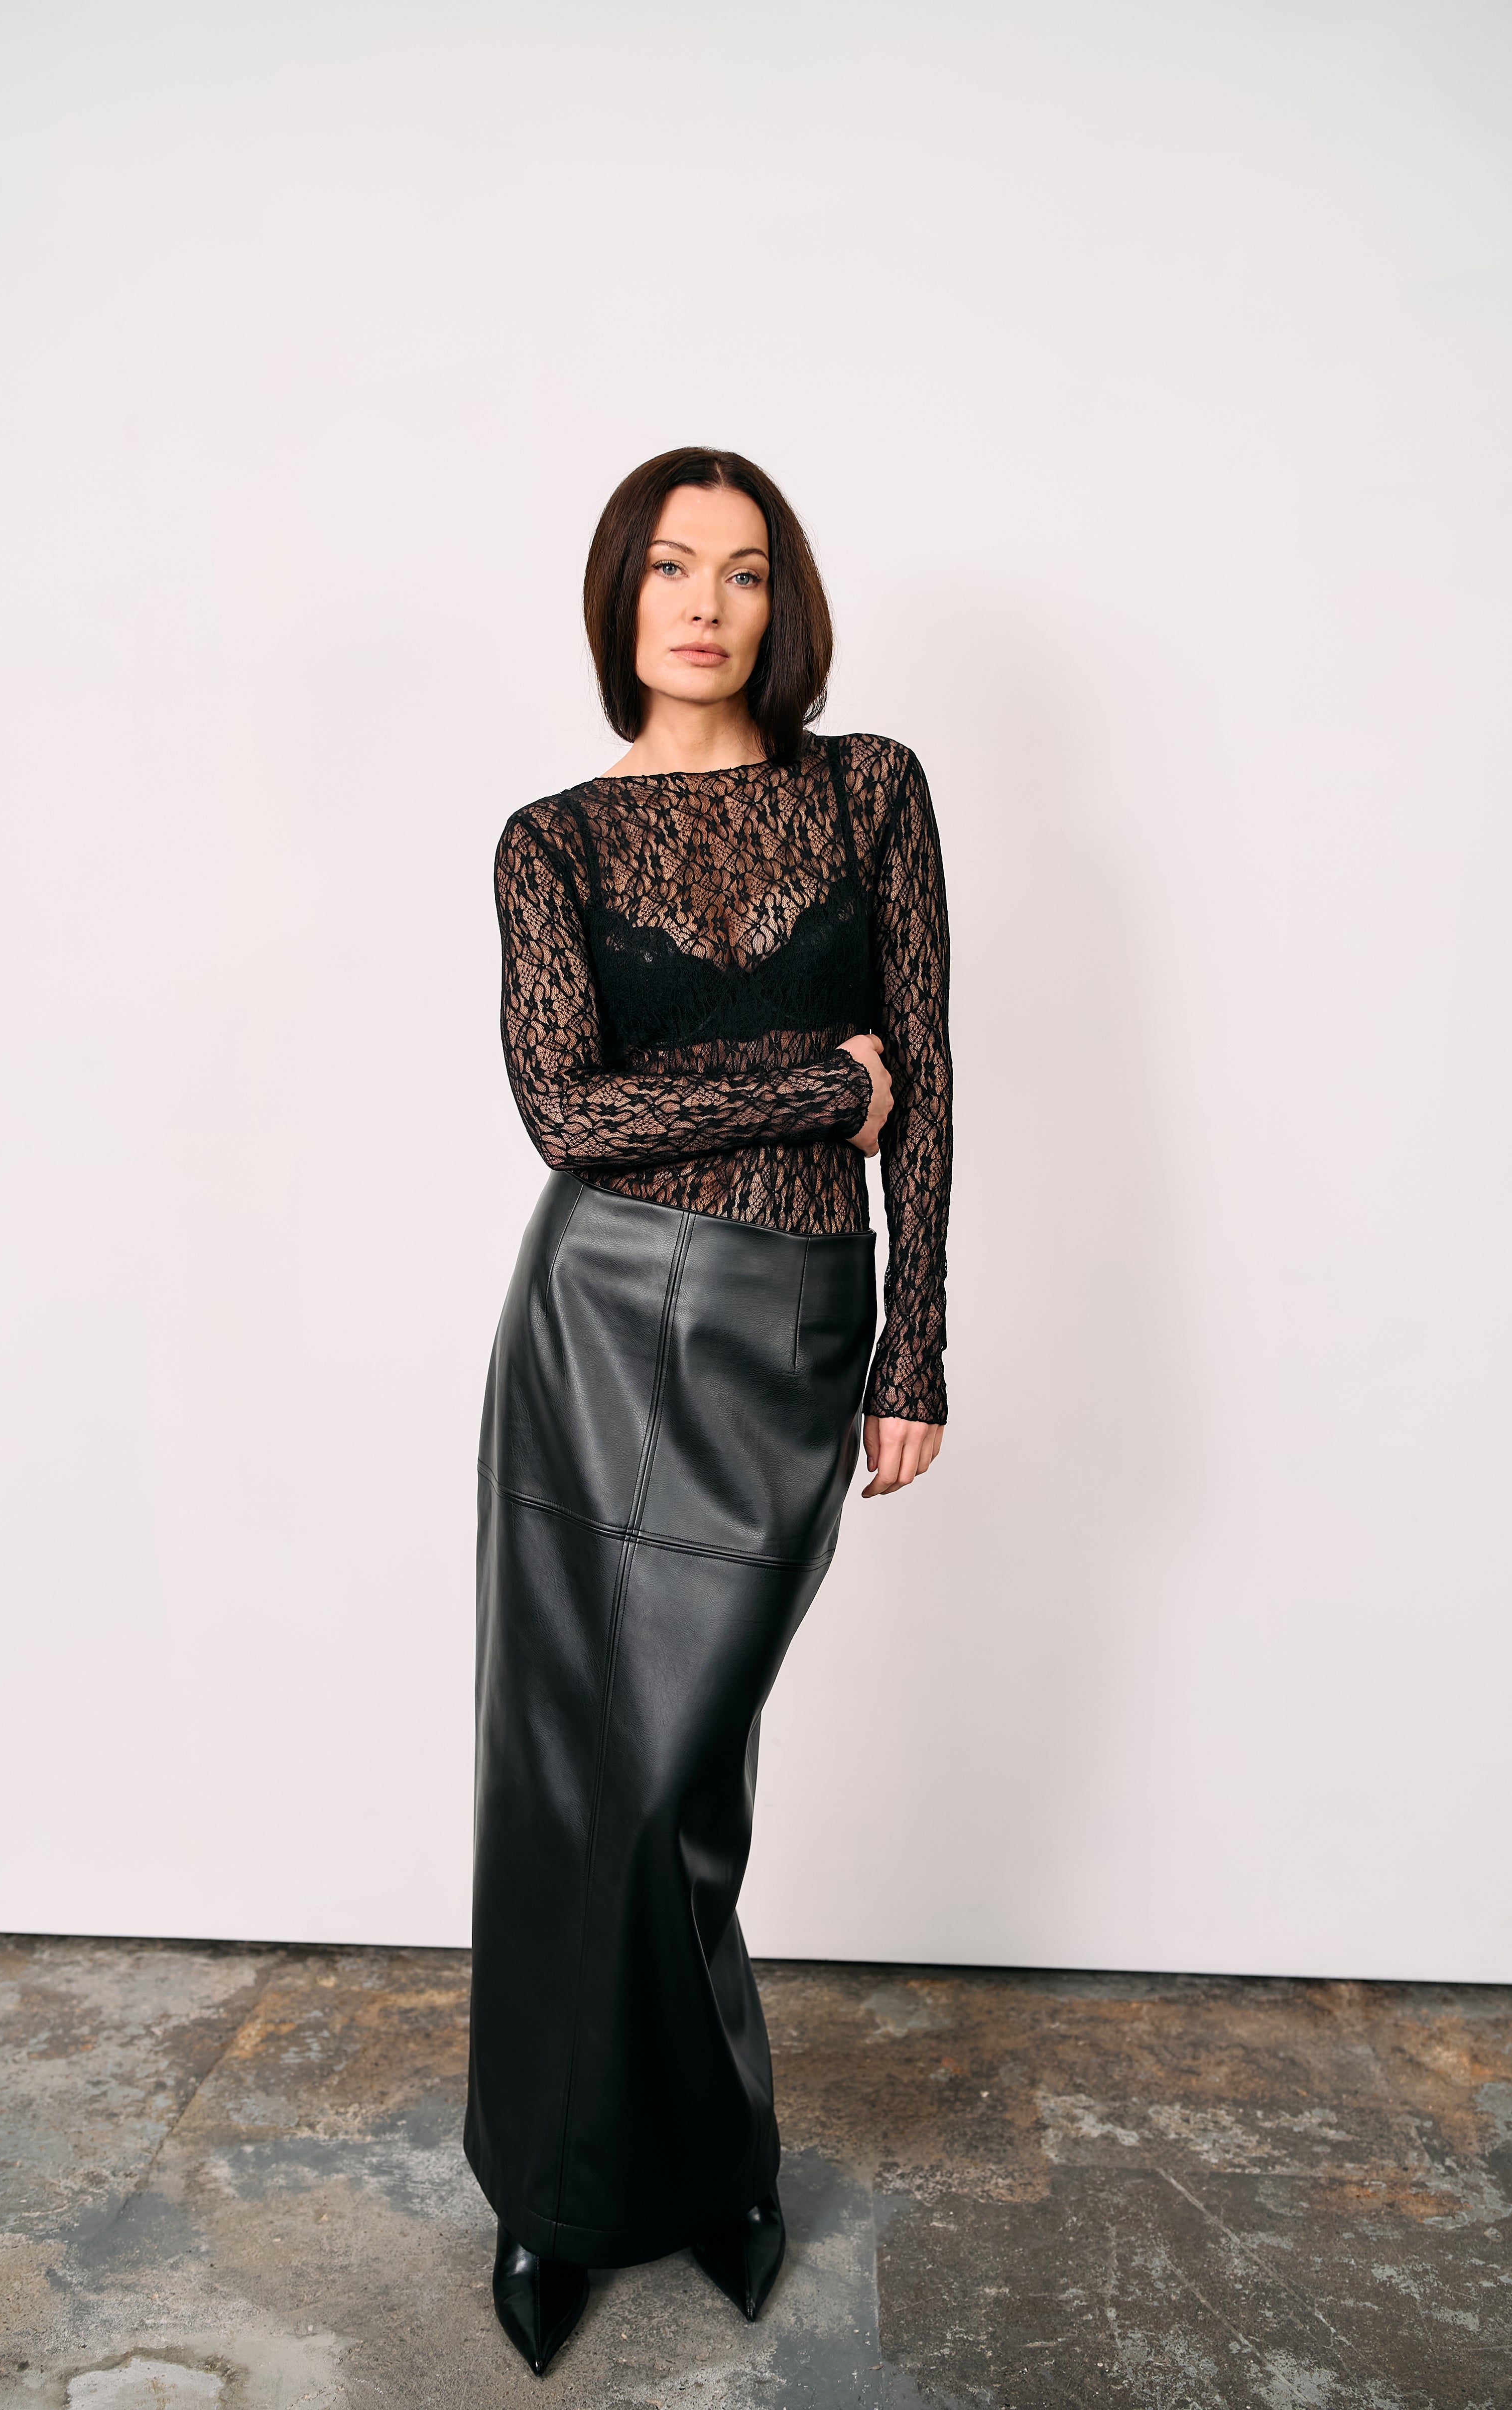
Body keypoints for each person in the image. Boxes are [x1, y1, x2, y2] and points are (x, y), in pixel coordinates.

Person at [465, 447, 952, 2377]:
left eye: (745, 574)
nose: (705, 603)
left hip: (793, 1327)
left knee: (684, 1783)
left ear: (783, 606)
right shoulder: (550, 842)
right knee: (571, 1786)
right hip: (591, 1325)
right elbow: (566, 1115)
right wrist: (816, 1086)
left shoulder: (873, 791)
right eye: (671, 567)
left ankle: (719, 2159)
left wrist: (915, 1343)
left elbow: (937, 1076)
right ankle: (554, 2192)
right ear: (619, 596)